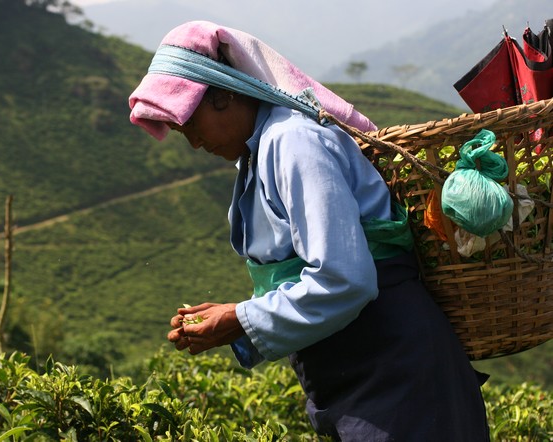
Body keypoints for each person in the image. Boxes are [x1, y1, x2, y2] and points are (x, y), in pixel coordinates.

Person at [129, 20, 489, 441]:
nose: (194, 143)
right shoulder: (259, 153)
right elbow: (304, 270)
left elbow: (344, 279)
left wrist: (242, 318)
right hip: (359, 374)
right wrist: (231, 319)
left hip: (395, 369)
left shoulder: (293, 141)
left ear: (225, 94)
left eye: (191, 125)